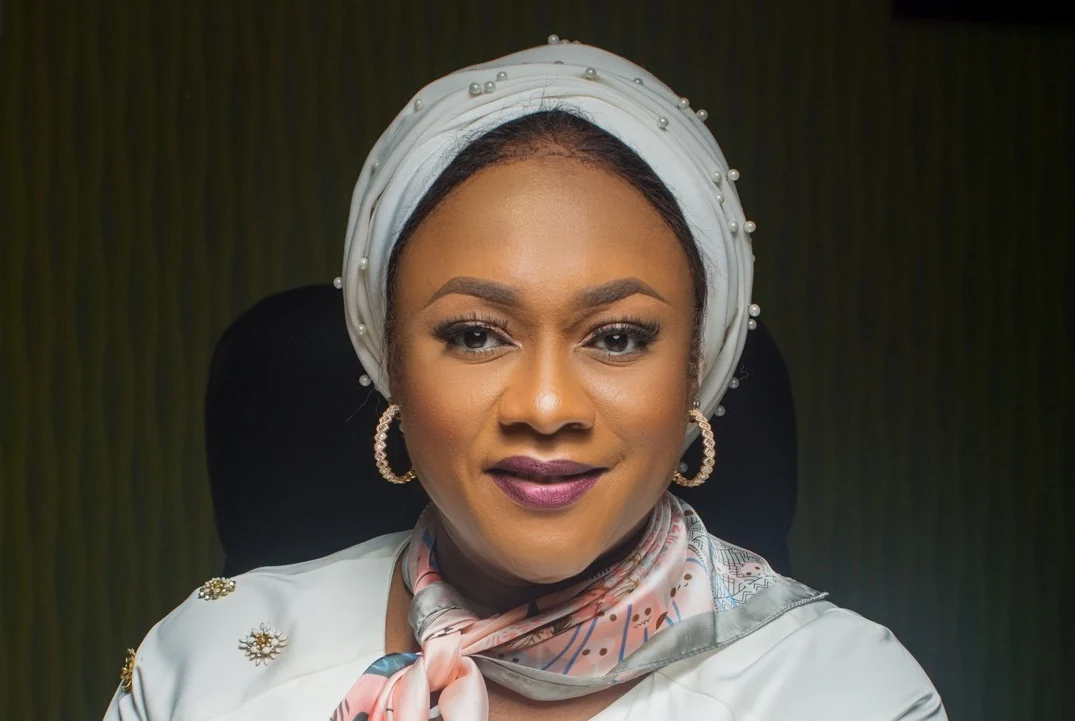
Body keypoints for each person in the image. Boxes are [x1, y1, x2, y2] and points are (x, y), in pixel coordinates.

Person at [103, 38, 946, 721]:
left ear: (696, 367)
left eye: (617, 337)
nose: (545, 406)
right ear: (390, 362)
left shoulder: (845, 693)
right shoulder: (210, 664)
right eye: (475, 335)